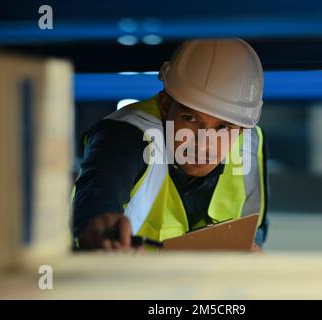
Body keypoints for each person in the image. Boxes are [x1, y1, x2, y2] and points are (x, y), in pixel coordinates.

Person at [73, 38, 269, 250]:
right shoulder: (126, 135)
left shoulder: (250, 144)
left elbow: (252, 235)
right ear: (166, 105)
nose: (202, 146)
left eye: (223, 128)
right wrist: (99, 226)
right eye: (190, 119)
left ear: (242, 129)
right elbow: (99, 195)